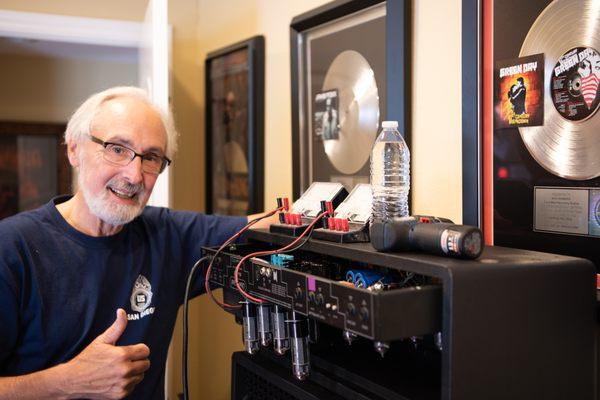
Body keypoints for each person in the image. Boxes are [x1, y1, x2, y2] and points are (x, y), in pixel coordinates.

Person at [0, 87, 276, 399]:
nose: (134, 174)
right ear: (74, 150)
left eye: (151, 157)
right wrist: (69, 380)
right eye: (117, 149)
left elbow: (267, 225)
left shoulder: (168, 235)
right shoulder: (11, 248)